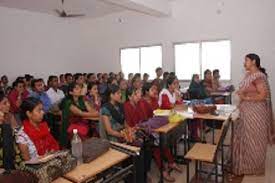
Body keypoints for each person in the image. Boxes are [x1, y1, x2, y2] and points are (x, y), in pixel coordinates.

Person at [232, 53, 274, 176]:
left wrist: (246, 97)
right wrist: (241, 93)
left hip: (256, 113)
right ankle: (244, 165)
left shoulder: (258, 76)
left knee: (255, 140)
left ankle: (255, 167)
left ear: (254, 61)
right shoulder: (248, 75)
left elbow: (262, 95)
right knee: (245, 139)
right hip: (246, 111)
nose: (244, 63)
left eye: (246, 60)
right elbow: (248, 90)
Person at [60, 83, 98, 147]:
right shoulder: (67, 102)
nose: (80, 90)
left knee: (98, 124)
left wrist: (96, 113)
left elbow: (91, 110)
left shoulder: (82, 99)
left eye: (80, 88)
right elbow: (80, 113)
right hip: (71, 125)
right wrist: (96, 114)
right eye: (77, 89)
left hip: (82, 121)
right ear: (71, 92)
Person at [0, 90, 24, 172]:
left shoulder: (9, 115)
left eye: (8, 102)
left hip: (11, 151)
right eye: (4, 103)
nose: (8, 105)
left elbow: (18, 132)